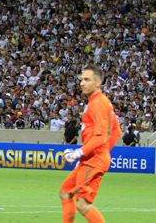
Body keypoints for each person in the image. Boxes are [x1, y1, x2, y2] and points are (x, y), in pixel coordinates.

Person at [59, 65, 122, 223]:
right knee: (65, 192)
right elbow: (116, 131)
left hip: (93, 160)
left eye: (87, 80)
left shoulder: (97, 103)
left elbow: (100, 137)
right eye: (81, 80)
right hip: (92, 157)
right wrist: (101, 152)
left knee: (83, 205)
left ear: (98, 82)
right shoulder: (101, 102)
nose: (82, 83)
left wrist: (79, 153)